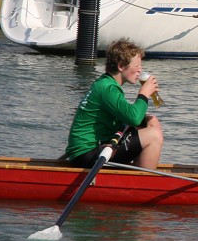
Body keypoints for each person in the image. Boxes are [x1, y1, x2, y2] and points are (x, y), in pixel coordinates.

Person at [65, 38, 164, 170]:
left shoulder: (106, 83)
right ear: (121, 66)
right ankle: (143, 183)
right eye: (136, 66)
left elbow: (132, 116)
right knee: (154, 136)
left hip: (100, 147)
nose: (140, 70)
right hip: (86, 155)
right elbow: (133, 118)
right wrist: (144, 94)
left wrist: (145, 119)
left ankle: (138, 172)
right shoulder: (107, 88)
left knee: (152, 121)